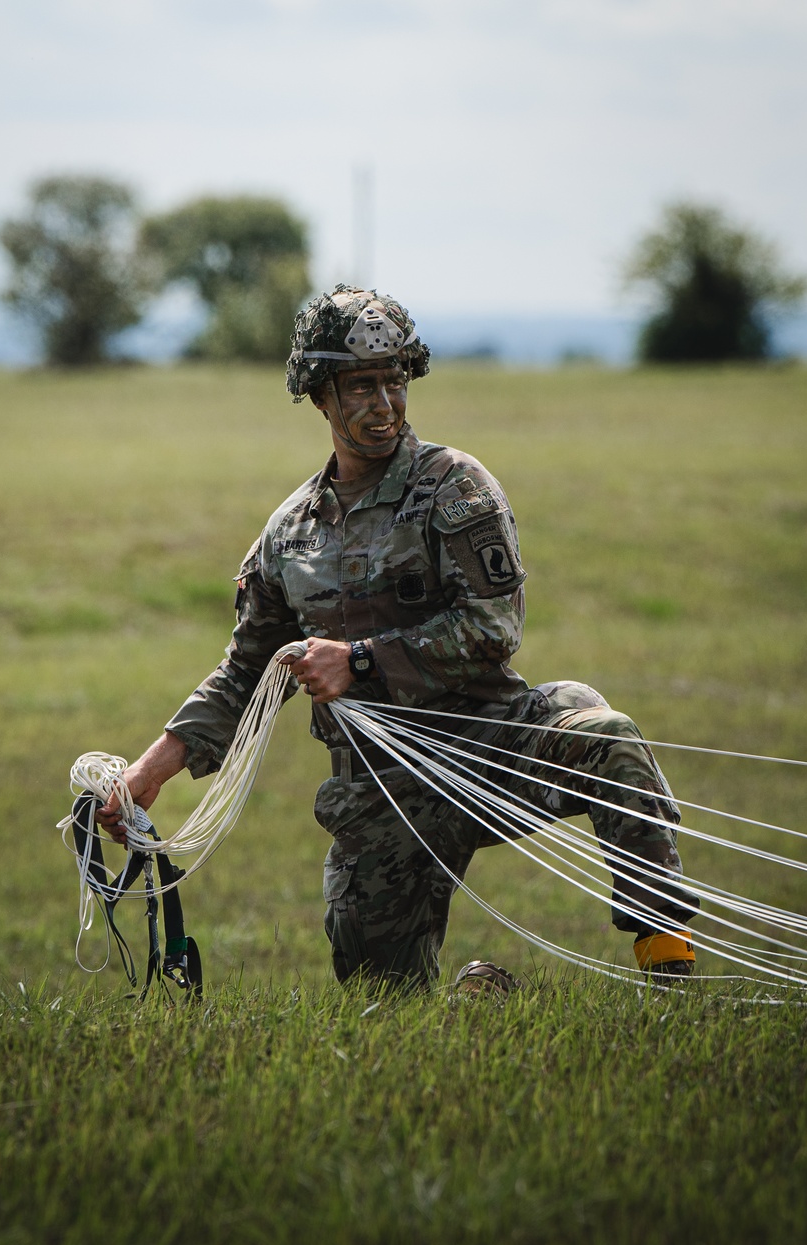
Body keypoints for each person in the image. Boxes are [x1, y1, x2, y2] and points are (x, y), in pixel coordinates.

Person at [98, 286, 699, 990]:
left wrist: (358, 660)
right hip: (380, 788)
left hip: (486, 743)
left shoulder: (456, 489)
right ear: (320, 395)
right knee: (385, 1003)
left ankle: (671, 974)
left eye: (394, 380)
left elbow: (492, 627)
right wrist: (145, 776)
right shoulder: (288, 534)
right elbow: (243, 677)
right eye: (360, 386)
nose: (383, 403)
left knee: (608, 737)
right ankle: (482, 1004)